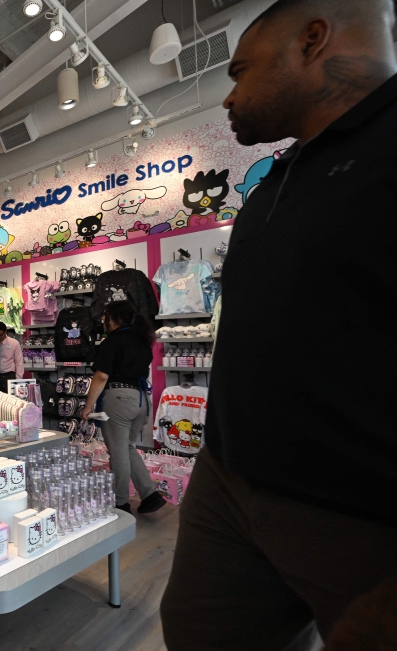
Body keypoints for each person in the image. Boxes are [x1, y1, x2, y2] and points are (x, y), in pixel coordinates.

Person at [161, 1, 397, 649]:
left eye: (240, 71)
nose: (228, 96)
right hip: (227, 480)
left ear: (311, 40)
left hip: (358, 510)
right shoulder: (278, 178)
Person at [80, 301, 165, 515]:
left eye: (105, 315)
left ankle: (120, 503)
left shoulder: (112, 341)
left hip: (119, 399)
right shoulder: (142, 340)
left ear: (114, 318)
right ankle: (150, 494)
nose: (103, 320)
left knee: (118, 453)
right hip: (141, 400)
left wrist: (88, 407)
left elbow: (101, 376)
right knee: (127, 447)